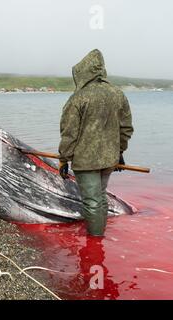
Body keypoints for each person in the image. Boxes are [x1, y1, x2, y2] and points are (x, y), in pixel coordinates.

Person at [58, 49, 134, 236]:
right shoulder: (118, 94)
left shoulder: (78, 98)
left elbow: (69, 134)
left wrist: (63, 159)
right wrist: (119, 153)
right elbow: (126, 129)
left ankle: (95, 243)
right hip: (109, 158)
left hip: (86, 161)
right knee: (100, 197)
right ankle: (100, 241)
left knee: (92, 201)